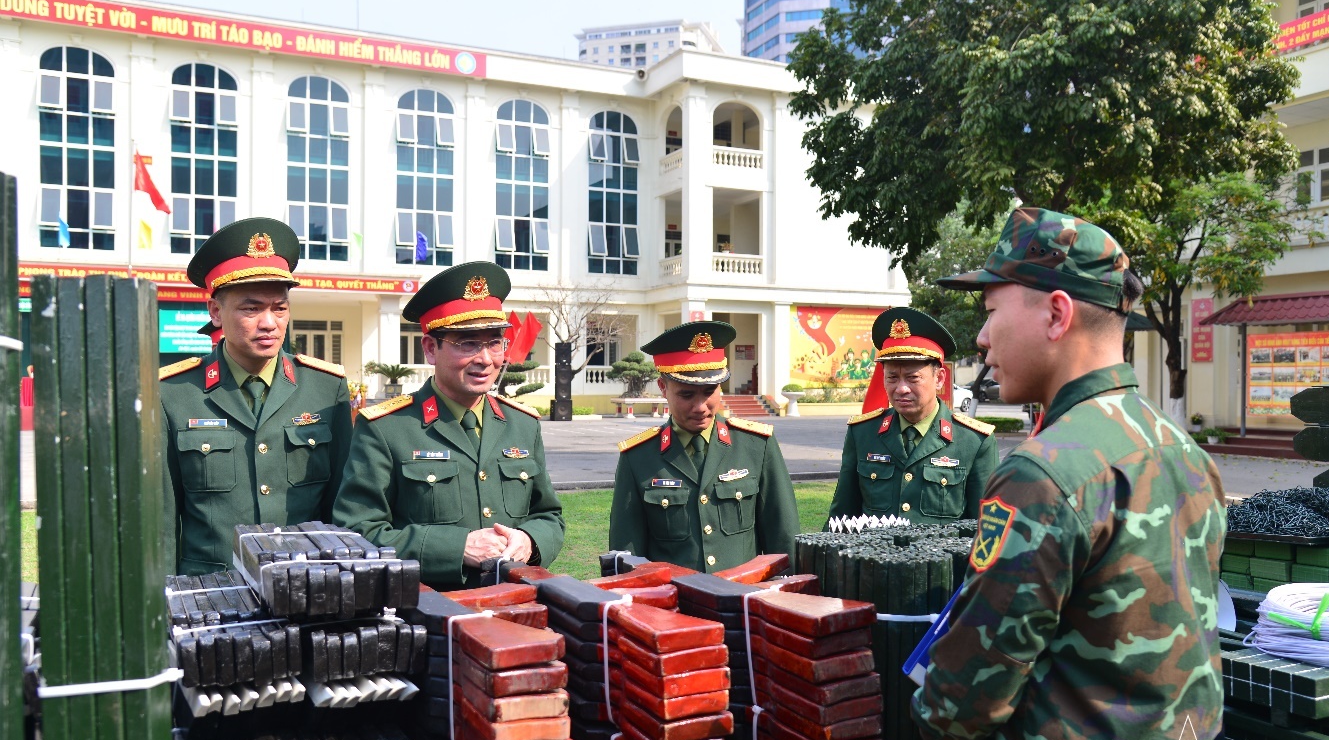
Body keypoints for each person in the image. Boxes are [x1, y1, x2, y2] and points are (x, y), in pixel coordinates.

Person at [911, 207, 1227, 740]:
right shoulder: (1182, 450)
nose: (981, 339)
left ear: (1057, 314)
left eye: (990, 312)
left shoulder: (1045, 473)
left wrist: (940, 722)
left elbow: (962, 700)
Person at [333, 262, 563, 591]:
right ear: (431, 348)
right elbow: (358, 531)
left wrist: (529, 540)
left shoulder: (522, 424)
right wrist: (456, 548)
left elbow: (549, 516)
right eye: (467, 343)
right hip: (430, 609)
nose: (485, 359)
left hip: (517, 603)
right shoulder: (387, 428)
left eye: (495, 342)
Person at [160, 218, 353, 575]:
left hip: (307, 582)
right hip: (212, 589)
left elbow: (341, 506)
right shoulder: (174, 394)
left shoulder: (326, 388)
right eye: (251, 309)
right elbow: (164, 518)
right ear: (216, 312)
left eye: (279, 307)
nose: (269, 323)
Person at [609, 321, 801, 571]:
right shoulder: (638, 457)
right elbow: (627, 555)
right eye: (686, 395)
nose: (700, 407)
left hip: (742, 593)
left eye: (709, 392)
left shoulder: (756, 446)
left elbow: (783, 538)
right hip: (674, 595)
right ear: (663, 387)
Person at [828, 307, 998, 524]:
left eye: (913, 378)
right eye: (892, 378)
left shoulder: (973, 441)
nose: (901, 389)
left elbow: (986, 527)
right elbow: (841, 518)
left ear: (939, 378)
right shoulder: (863, 433)